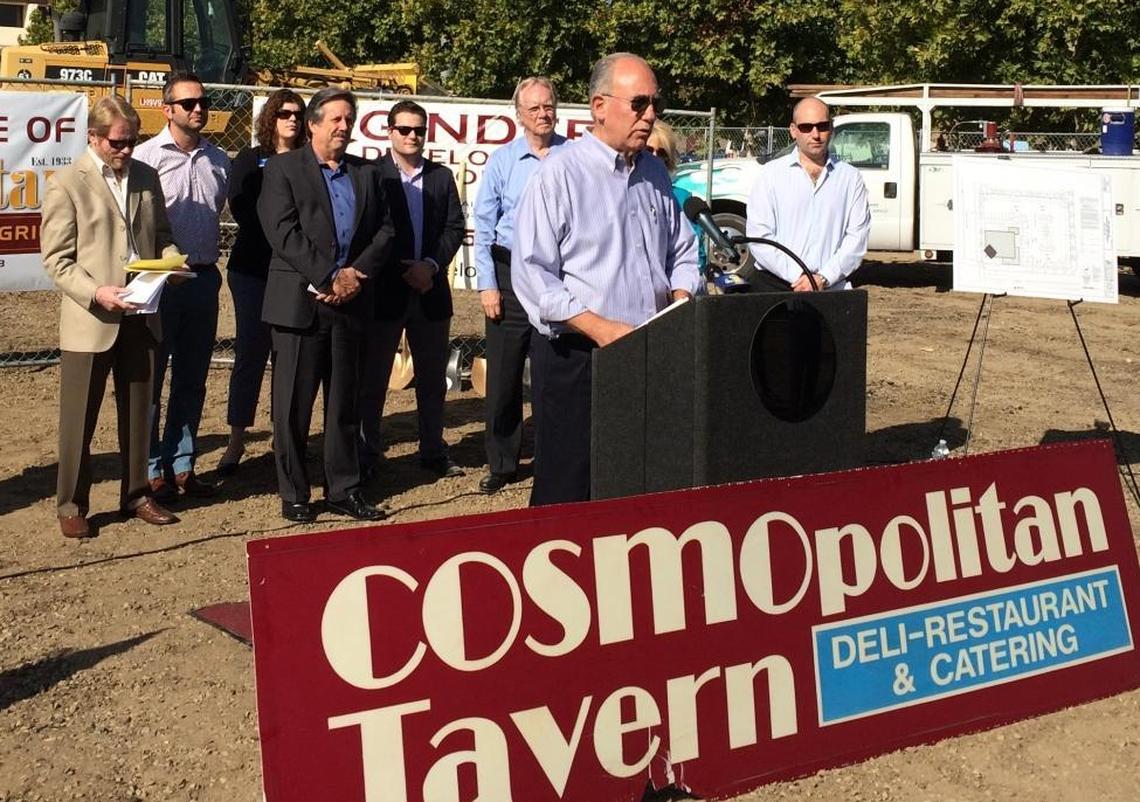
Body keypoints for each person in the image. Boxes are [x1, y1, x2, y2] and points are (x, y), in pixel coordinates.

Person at [512, 53, 701, 506]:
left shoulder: (654, 172)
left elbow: (682, 250)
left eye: (654, 103)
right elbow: (533, 273)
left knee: (639, 478)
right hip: (578, 356)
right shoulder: (559, 174)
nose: (650, 115)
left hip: (648, 352)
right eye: (638, 103)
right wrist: (601, 329)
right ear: (599, 106)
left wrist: (679, 297)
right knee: (570, 487)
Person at [40, 95, 182, 537]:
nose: (126, 151)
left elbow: (161, 236)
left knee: (140, 409)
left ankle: (137, 494)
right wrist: (97, 292)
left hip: (143, 312)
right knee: (79, 418)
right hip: (92, 319)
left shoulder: (145, 176)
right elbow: (57, 259)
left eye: (132, 142)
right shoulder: (67, 182)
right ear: (94, 137)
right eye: (118, 143)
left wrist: (173, 262)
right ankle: (71, 504)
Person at [258, 87, 394, 523]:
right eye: (334, 118)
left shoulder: (366, 174)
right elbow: (282, 231)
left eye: (349, 119)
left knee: (344, 406)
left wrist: (353, 276)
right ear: (313, 123)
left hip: (350, 305)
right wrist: (328, 275)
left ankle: (343, 488)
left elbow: (385, 231)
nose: (343, 126)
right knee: (293, 407)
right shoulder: (282, 169)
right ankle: (295, 493)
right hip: (300, 305)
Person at [133, 71, 230, 502]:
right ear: (167, 109)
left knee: (192, 378)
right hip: (159, 283)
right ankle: (151, 470)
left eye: (202, 102)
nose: (198, 109)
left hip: (204, 280)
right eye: (188, 103)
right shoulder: (144, 159)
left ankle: (183, 465)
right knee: (152, 379)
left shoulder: (219, 160)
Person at [359, 99, 466, 480]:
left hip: (430, 292)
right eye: (404, 129)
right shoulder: (374, 175)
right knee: (372, 379)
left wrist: (430, 266)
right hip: (384, 292)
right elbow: (368, 231)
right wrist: (399, 269)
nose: (412, 136)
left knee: (433, 378)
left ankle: (433, 449)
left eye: (418, 130)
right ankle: (367, 452)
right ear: (389, 132)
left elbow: (454, 227)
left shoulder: (440, 177)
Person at [472, 76, 568, 495]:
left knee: (554, 373)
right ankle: (503, 462)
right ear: (519, 115)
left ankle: (554, 455)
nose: (543, 114)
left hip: (557, 276)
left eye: (548, 106)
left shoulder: (574, 156)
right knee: (504, 377)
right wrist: (487, 285)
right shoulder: (502, 162)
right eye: (534, 108)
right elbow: (484, 224)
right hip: (509, 274)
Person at [216, 89, 307, 476]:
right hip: (253, 269)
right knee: (251, 353)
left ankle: (282, 440)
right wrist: (281, 232)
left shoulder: (309, 161)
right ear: (271, 117)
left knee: (288, 359)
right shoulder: (251, 159)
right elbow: (241, 206)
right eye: (284, 113)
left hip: (295, 272)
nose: (292, 120)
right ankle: (236, 439)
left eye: (299, 114)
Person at [745, 97, 871, 292]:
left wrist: (823, 278)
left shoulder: (850, 178)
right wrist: (799, 276)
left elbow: (857, 238)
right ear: (793, 130)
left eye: (822, 126)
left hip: (829, 288)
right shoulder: (770, 175)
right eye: (806, 127)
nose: (816, 134)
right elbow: (759, 236)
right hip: (774, 286)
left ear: (831, 127)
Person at [646, 119, 706, 281]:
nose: (655, 157)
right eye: (648, 150)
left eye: (662, 153)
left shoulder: (681, 198)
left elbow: (695, 253)